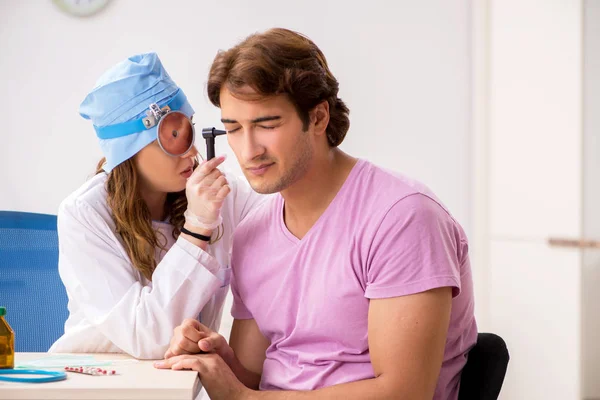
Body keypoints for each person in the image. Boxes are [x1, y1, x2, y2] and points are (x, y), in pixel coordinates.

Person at [157, 28, 477, 400]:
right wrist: (214, 356)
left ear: (319, 117)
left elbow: (403, 393)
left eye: (267, 124)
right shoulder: (252, 233)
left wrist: (246, 399)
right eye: (234, 129)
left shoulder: (403, 219)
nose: (248, 150)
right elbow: (252, 374)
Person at [49, 52, 266, 360]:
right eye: (173, 136)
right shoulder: (84, 214)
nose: (191, 151)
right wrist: (197, 228)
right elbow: (146, 336)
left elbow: (290, 226)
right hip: (98, 375)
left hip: (179, 380)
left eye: (188, 130)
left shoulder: (222, 194)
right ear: (130, 150)